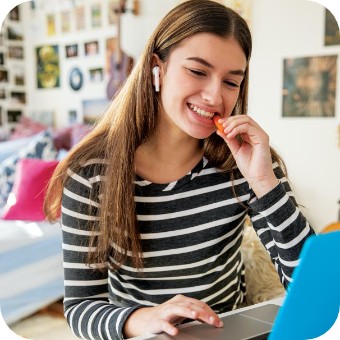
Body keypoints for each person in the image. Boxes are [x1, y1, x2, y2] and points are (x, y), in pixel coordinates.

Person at [44, 0, 315, 339]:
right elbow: (81, 307)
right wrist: (142, 320)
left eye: (232, 82)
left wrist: (264, 182)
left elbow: (311, 291)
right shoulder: (89, 174)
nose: (215, 96)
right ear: (157, 68)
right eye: (198, 71)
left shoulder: (247, 163)